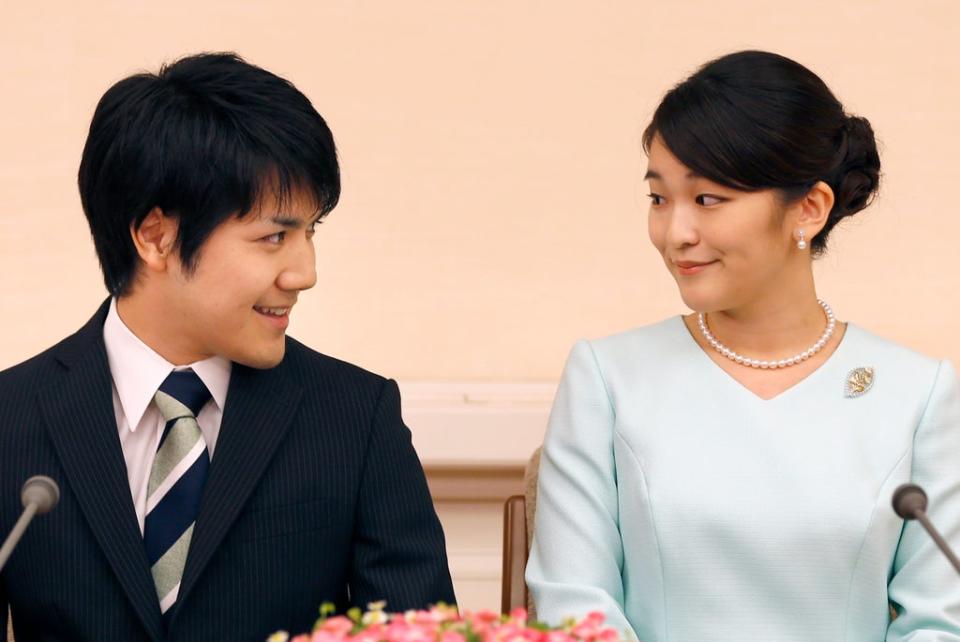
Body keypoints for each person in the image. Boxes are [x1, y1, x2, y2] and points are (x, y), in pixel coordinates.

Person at [0, 53, 455, 642]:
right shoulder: (10, 421)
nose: (304, 272)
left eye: (309, 232)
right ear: (156, 236)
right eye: (273, 237)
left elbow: (421, 632)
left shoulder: (355, 418)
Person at [525, 50, 960, 641]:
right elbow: (574, 610)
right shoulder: (607, 377)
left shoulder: (920, 394)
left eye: (708, 200)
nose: (675, 233)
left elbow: (939, 624)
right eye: (659, 199)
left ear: (809, 208)